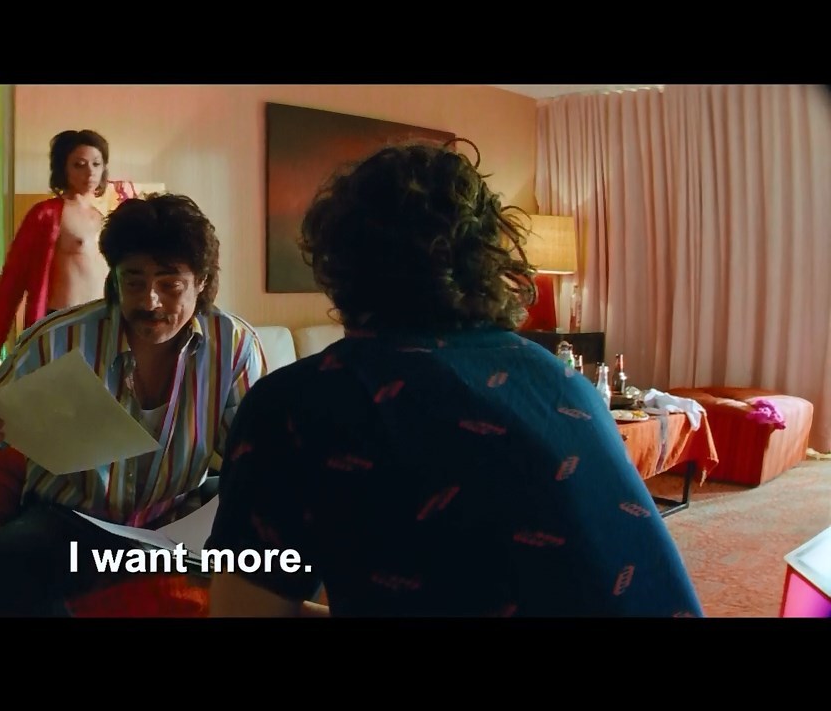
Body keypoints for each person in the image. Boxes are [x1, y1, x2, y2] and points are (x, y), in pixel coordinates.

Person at [205, 140, 705, 618]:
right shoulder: (559, 378)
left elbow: (243, 611)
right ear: (489, 255)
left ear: (337, 262)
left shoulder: (297, 405)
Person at [0, 193, 267, 616]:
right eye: (133, 282)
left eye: (170, 285)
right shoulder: (59, 340)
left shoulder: (233, 345)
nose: (149, 302)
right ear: (114, 278)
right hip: (73, 519)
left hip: (176, 515)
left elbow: (251, 455)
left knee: (288, 544)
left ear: (201, 281)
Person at [0, 129, 129, 365]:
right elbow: (14, 274)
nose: (90, 172)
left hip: (103, 321)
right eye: (79, 165)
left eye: (96, 164)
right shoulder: (46, 214)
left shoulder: (104, 217)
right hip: (62, 321)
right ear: (63, 168)